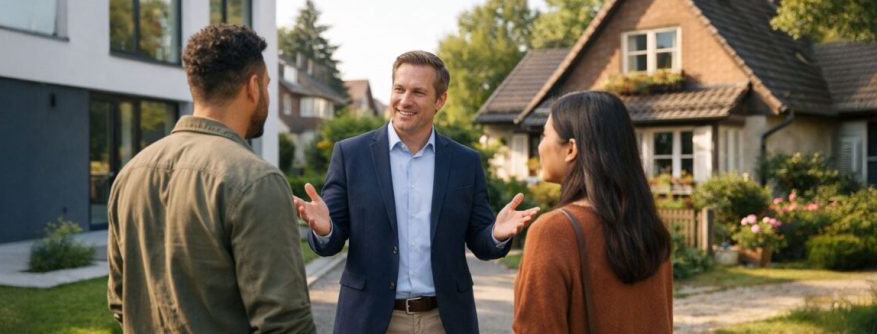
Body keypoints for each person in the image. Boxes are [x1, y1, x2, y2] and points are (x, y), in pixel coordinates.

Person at [293, 50, 540, 334]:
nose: (404, 100)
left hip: (444, 320)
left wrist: (496, 234)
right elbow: (331, 242)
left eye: (418, 92)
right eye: (399, 89)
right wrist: (324, 230)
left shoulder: (464, 162)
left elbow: (481, 242)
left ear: (440, 100)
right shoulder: (351, 155)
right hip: (370, 320)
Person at [107, 24, 316, 333]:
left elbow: (119, 300)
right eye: (268, 86)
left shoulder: (131, 173)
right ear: (253, 87)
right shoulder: (257, 180)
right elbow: (285, 324)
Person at [513, 91, 673, 333]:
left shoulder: (554, 232)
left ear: (571, 149)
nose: (540, 145)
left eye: (545, 135)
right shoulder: (648, 229)